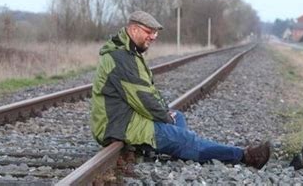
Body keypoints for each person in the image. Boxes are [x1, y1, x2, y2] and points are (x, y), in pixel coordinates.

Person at [90, 10, 271, 169]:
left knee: (178, 118)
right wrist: (165, 117)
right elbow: (143, 98)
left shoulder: (129, 52)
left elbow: (148, 91)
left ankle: (184, 146)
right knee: (185, 137)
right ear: (134, 29)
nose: (153, 37)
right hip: (119, 126)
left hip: (130, 119)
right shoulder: (121, 57)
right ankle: (245, 156)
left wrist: (167, 113)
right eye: (149, 32)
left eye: (155, 33)